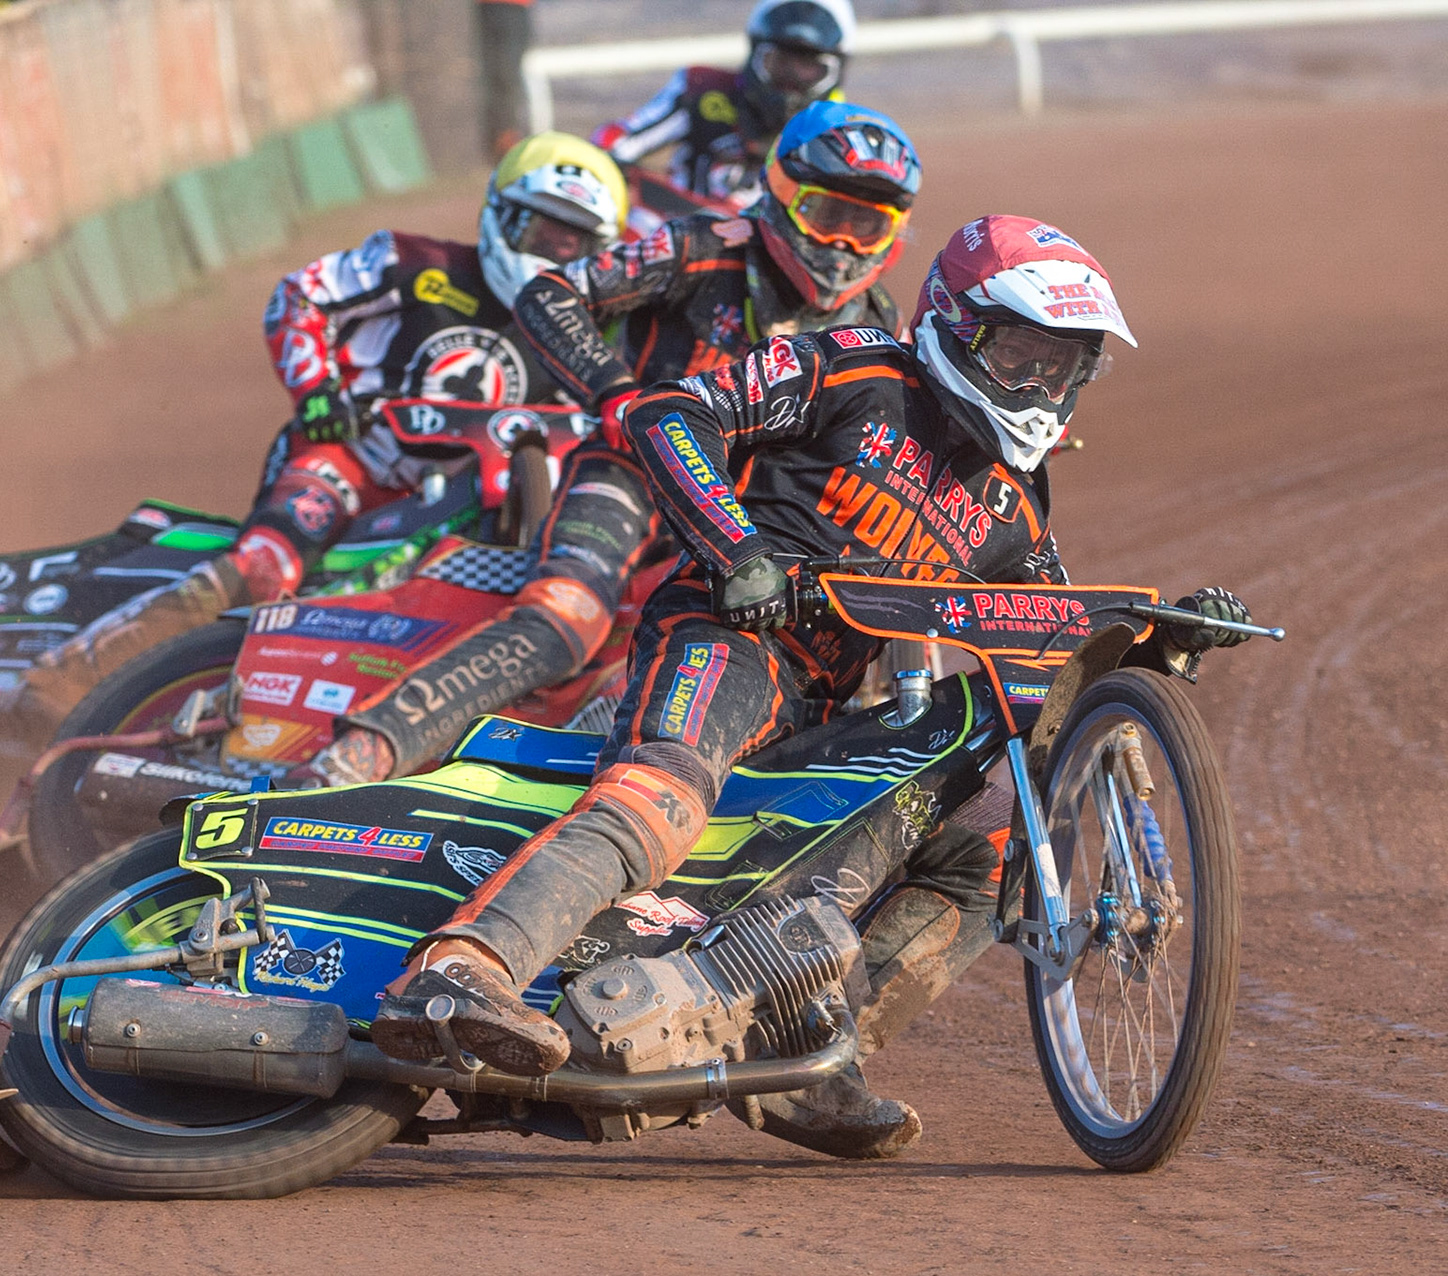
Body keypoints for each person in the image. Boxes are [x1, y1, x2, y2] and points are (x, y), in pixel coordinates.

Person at [367, 215, 1255, 1159]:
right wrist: (736, 546)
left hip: (834, 706)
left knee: (987, 846)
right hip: (725, 635)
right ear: (956, 324)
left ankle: (812, 1056)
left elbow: (1047, 640)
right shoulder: (854, 365)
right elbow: (669, 411)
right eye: (1023, 354)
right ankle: (462, 969)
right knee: (659, 798)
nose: (1042, 388)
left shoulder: (1016, 501)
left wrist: (1152, 643)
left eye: (1065, 365)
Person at [300, 101, 919, 788]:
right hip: (630, 472)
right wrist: (615, 391)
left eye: (869, 225)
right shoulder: (697, 243)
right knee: (563, 622)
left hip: (739, 525)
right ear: (779, 194)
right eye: (827, 214)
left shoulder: (878, 322)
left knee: (826, 665)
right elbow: (549, 294)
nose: (842, 244)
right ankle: (353, 758)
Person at [8, 133, 629, 733]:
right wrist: (319, 392)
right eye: (541, 229)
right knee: (265, 568)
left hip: (461, 503)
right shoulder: (412, 263)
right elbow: (299, 297)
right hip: (349, 461)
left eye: (574, 241)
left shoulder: (592, 339)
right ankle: (61, 682)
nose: (554, 249)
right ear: (500, 213)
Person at [592, 0, 855, 210]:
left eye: (809, 69)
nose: (791, 83)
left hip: (763, 260)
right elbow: (616, 142)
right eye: (780, 63)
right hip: (672, 237)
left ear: (835, 73)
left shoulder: (837, 133)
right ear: (755, 53)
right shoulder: (703, 91)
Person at [478, 0, 534, 158]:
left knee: (508, 76)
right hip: (489, 8)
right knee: (499, 76)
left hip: (515, 8)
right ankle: (503, 137)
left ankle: (508, 135)